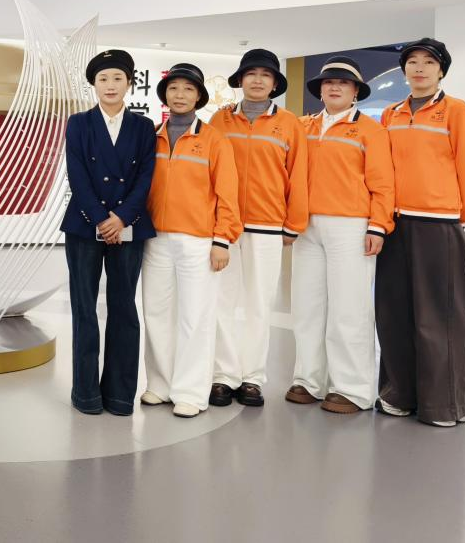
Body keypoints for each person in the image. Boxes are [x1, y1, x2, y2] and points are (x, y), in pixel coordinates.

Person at [376, 38, 465, 426]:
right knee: (394, 313)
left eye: (428, 62)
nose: (419, 68)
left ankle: (444, 405)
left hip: (438, 224)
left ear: (441, 71)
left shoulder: (458, 112)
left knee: (439, 317)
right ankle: (399, 394)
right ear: (404, 70)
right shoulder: (390, 114)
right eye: (412, 62)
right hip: (394, 224)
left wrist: (456, 215)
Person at [286, 57, 394, 414]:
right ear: (319, 90)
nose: (334, 87)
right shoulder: (303, 126)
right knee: (307, 306)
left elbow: (383, 183)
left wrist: (378, 225)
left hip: (351, 226)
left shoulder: (370, 130)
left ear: (355, 92)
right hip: (307, 227)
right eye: (328, 82)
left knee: (349, 308)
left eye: (343, 83)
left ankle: (352, 388)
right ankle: (308, 380)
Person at [141, 64, 242, 418]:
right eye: (173, 88)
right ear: (165, 95)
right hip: (156, 239)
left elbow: (228, 193)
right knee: (156, 312)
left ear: (199, 96)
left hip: (198, 241)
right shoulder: (152, 136)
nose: (180, 95)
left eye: (188, 89)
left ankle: (191, 392)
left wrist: (222, 240)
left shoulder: (214, 139)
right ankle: (160, 384)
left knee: (195, 316)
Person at [208, 48, 308, 407]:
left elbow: (299, 175)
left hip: (267, 226)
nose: (257, 80)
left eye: (265, 75)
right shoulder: (219, 120)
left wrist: (293, 224)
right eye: (251, 74)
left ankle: (251, 377)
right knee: (222, 302)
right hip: (225, 227)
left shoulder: (290, 124)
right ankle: (223, 376)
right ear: (240, 80)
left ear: (275, 83)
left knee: (258, 304)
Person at [60, 50, 157, 416]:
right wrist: (102, 218)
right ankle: (85, 394)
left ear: (129, 83)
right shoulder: (79, 123)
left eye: (117, 78)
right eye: (103, 79)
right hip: (85, 226)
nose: (110, 85)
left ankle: (119, 395)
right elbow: (77, 174)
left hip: (129, 225)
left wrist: (122, 217)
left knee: (124, 309)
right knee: (84, 309)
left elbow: (146, 176)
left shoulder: (143, 127)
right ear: (94, 85)